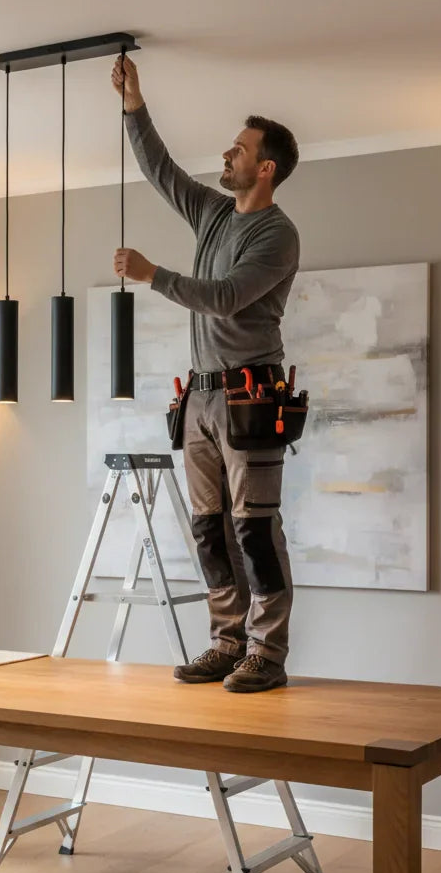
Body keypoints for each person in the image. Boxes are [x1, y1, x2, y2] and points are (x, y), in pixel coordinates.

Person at [111, 54, 301, 694]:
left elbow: (225, 297)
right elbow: (160, 171)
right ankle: (227, 642)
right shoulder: (214, 214)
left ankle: (266, 653)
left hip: (252, 398)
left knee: (254, 528)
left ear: (265, 168)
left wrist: (152, 275)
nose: (227, 154)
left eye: (239, 149)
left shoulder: (277, 235)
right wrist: (134, 104)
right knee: (210, 529)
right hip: (199, 398)